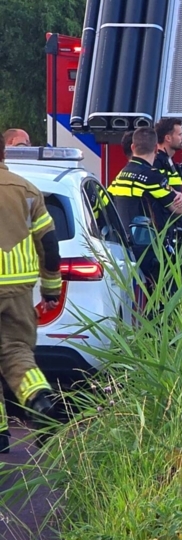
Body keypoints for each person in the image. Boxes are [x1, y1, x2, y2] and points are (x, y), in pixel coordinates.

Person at [0, 135, 66, 452]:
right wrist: (51, 289)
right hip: (18, 290)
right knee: (17, 352)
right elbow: (50, 246)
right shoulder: (27, 190)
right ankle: (41, 401)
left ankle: (1, 436)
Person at [107, 127, 182, 286]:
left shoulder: (121, 175)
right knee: (164, 295)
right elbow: (178, 209)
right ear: (156, 148)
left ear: (133, 147)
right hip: (149, 251)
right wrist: (179, 196)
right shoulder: (153, 177)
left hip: (124, 248)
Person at [154, 117, 182, 193]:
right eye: (179, 134)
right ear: (168, 138)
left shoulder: (168, 160)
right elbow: (156, 186)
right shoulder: (156, 162)